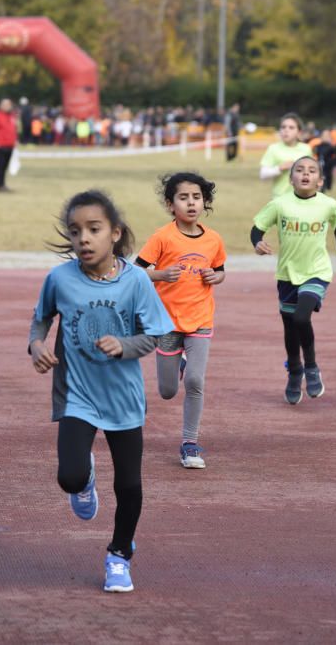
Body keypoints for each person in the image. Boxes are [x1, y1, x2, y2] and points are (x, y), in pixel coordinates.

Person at [29, 190, 173, 593]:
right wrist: (37, 347)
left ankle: (120, 554)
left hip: (123, 400)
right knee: (69, 477)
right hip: (78, 395)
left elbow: (155, 336)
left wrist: (124, 345)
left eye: (94, 230)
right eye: (75, 232)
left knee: (129, 485)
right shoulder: (59, 279)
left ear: (115, 234)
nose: (84, 240)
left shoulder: (137, 281)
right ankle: (85, 478)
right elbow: (39, 323)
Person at [135, 172, 227, 469]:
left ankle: (189, 443)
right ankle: (181, 364)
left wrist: (217, 276)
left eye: (197, 197)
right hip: (167, 322)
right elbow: (136, 272)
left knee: (196, 382)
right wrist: (160, 274)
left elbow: (220, 270)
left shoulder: (213, 239)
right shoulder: (162, 237)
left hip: (200, 319)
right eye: (183, 197)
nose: (191, 203)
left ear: (205, 202)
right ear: (170, 204)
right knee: (167, 391)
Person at [251, 156, 336, 405]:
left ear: (320, 180)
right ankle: (295, 372)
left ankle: (312, 367)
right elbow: (257, 228)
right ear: (291, 178)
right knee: (289, 327)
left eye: (312, 171)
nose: (306, 174)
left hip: (317, 272)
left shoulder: (328, 205)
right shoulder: (279, 204)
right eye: (300, 170)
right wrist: (257, 243)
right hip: (287, 275)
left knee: (301, 318)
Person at [260, 112, 313, 200]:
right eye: (283, 127)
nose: (286, 130)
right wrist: (279, 168)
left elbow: (312, 173)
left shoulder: (306, 149)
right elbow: (263, 175)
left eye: (291, 127)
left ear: (299, 132)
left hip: (302, 199)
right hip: (280, 199)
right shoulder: (273, 148)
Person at [0, 98, 17, 192]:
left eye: (9, 105)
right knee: (0, 166)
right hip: (0, 146)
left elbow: (13, 130)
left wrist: (15, 141)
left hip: (10, 145)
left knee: (5, 166)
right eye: (6, 105)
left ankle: (3, 184)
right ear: (1, 106)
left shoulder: (12, 116)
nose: (8, 106)